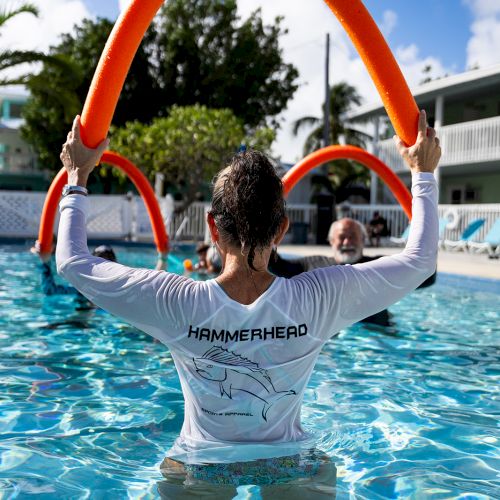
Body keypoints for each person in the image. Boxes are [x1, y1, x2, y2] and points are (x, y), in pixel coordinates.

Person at [55, 111, 440, 493]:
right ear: (282, 230)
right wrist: (423, 173)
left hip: (201, 467)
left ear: (212, 228)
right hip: (291, 464)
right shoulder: (322, 295)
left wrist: (77, 178)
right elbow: (421, 261)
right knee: (317, 468)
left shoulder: (174, 300)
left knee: (175, 468)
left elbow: (73, 261)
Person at [269, 217, 436, 326]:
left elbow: (426, 276)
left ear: (364, 240)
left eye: (353, 236)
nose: (347, 241)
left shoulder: (379, 265)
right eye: (342, 236)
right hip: (330, 341)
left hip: (376, 338)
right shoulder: (310, 265)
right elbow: (274, 265)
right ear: (331, 241)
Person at [32, 240, 117, 296]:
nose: (104, 268)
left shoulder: (120, 288)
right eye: (100, 262)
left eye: (108, 262)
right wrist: (44, 262)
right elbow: (50, 291)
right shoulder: (84, 289)